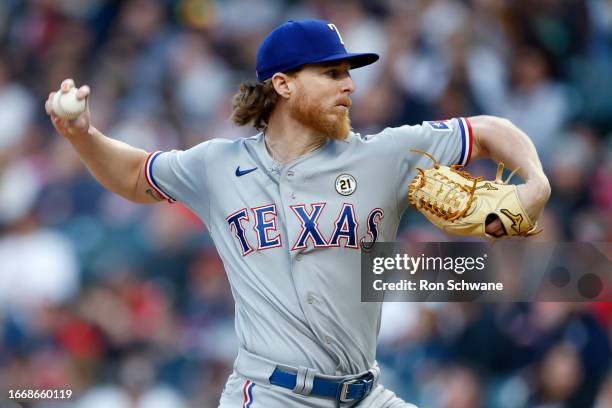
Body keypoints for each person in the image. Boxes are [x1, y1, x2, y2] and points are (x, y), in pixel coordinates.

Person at [46, 19, 550, 408]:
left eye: (348, 73)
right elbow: (136, 175)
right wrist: (82, 136)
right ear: (283, 85)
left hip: (364, 393)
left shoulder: (385, 154)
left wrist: (536, 181)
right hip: (269, 393)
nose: (348, 85)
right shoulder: (218, 165)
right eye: (331, 73)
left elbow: (487, 129)